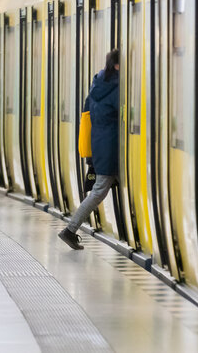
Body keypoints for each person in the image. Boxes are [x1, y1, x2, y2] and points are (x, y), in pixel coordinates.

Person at [59, 49, 120, 250]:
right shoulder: (116, 88)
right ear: (118, 66)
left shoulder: (98, 84)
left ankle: (71, 229)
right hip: (110, 146)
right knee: (99, 190)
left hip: (100, 144)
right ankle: (70, 230)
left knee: (99, 189)